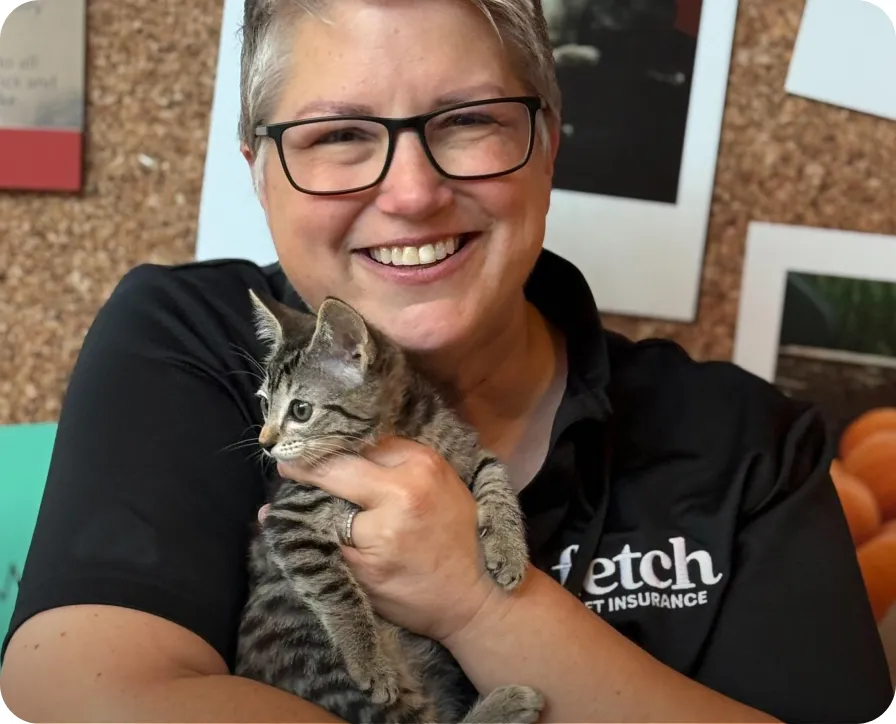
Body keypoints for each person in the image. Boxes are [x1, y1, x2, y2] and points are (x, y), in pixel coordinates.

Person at [1, 0, 893, 721]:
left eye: (468, 120)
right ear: (260, 172)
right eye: (339, 134)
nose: (413, 193)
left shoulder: (751, 442)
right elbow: (82, 692)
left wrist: (478, 602)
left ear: (548, 144)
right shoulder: (191, 337)